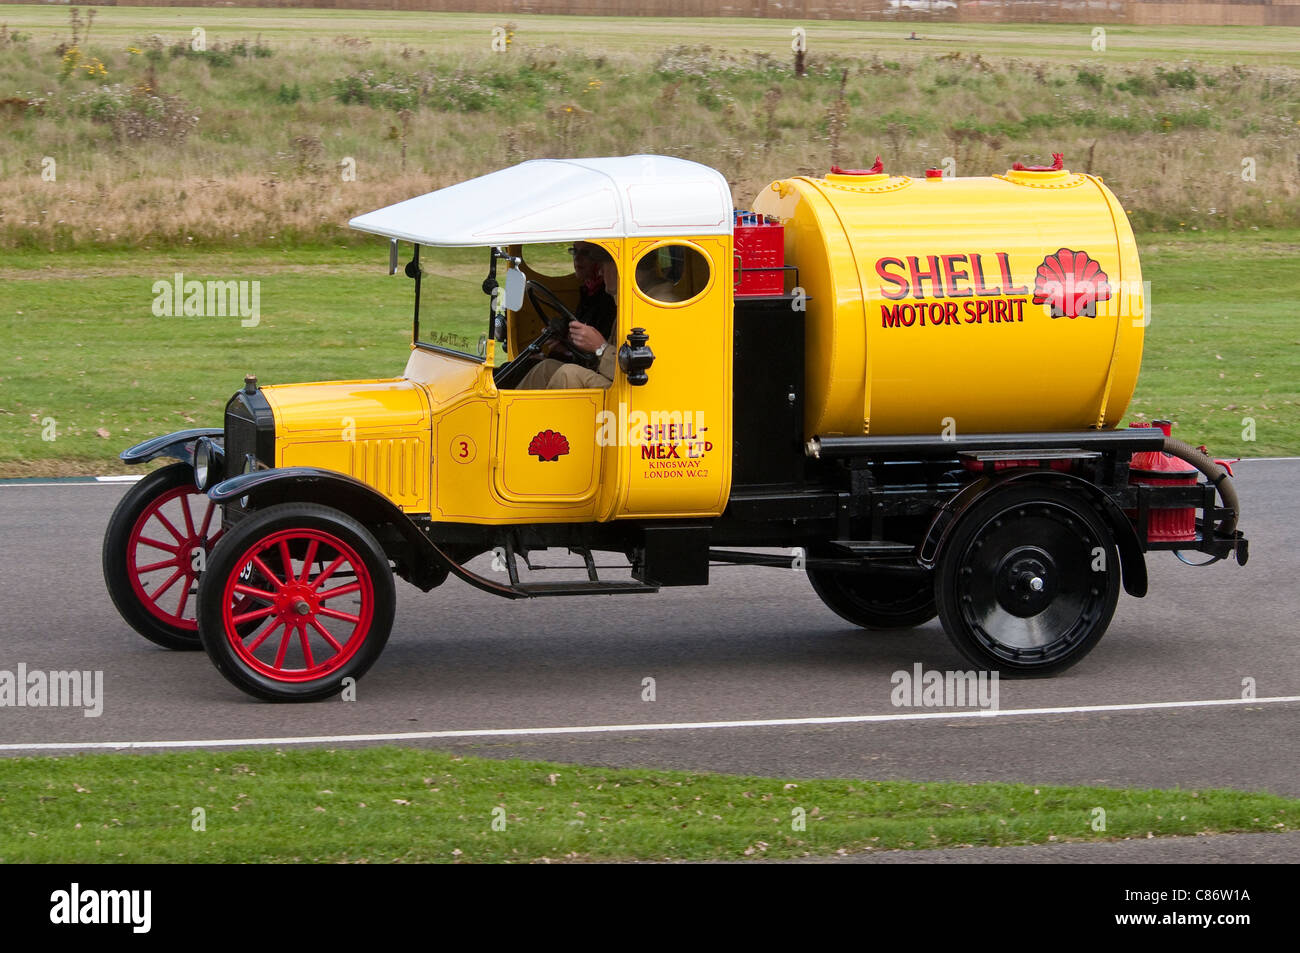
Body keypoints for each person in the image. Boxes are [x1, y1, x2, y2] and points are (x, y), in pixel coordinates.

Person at [520, 244, 618, 389]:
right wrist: (565, 346)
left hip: (618, 382)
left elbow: (624, 366)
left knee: (568, 373)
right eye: (575, 252)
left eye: (586, 254)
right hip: (600, 366)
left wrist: (600, 348)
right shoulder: (590, 292)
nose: (577, 258)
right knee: (544, 367)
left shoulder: (609, 301)